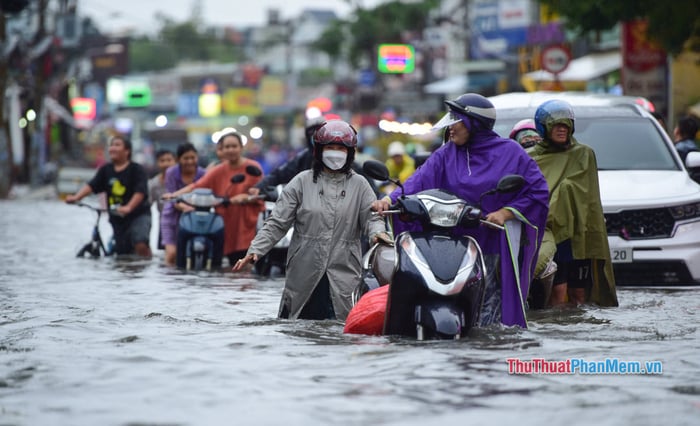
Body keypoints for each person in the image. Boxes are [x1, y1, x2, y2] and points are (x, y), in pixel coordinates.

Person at [372, 93, 550, 328]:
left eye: (456, 121)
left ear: (475, 124)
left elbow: (538, 192)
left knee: (490, 315)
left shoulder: (511, 153)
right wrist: (388, 199)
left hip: (492, 243)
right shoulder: (446, 154)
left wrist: (505, 213)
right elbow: (418, 181)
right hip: (452, 243)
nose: (451, 128)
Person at [233, 120, 388, 321]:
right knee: (298, 328)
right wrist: (255, 251)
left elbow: (372, 216)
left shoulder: (360, 185)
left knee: (341, 328)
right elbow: (277, 223)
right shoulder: (301, 181)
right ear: (319, 151)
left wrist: (378, 234)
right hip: (304, 268)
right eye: (330, 147)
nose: (335, 152)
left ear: (349, 152)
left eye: (340, 148)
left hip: (344, 270)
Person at [529, 99, 618, 307]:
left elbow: (588, 195)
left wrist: (566, 192)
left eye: (566, 125)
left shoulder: (584, 154)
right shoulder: (530, 158)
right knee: (557, 292)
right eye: (556, 125)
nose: (562, 130)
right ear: (544, 127)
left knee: (580, 293)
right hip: (552, 233)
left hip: (579, 233)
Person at [164, 130, 265, 266]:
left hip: (247, 224)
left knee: (246, 265)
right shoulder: (218, 170)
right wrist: (175, 195)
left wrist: (246, 197)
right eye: (227, 147)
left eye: (234, 146)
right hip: (227, 224)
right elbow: (197, 186)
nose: (231, 150)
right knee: (230, 265)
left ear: (241, 147)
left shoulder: (253, 167)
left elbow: (261, 192)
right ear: (221, 150)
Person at [247, 116, 380, 199]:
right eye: (312, 133)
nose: (334, 154)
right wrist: (259, 187)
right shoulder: (301, 168)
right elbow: (278, 175)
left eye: (338, 149)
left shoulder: (353, 171)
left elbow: (371, 196)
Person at [65, 135, 152, 258]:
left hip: (138, 215)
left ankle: (146, 264)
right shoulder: (106, 170)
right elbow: (92, 185)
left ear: (127, 151)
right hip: (116, 216)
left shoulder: (137, 170)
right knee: (122, 253)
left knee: (140, 242)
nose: (113, 148)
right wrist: (76, 197)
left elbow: (140, 192)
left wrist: (128, 207)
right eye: (112, 145)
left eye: (117, 145)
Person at [160, 143, 207, 265]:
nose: (190, 161)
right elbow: (171, 197)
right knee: (171, 254)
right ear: (179, 159)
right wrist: (185, 207)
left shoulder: (203, 173)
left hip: (196, 217)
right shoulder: (171, 173)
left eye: (193, 158)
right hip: (172, 216)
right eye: (186, 158)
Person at [148, 149, 176, 250]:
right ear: (157, 163)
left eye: (169, 160)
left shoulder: (182, 179)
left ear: (175, 161)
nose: (166, 164)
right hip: (164, 223)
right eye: (162, 160)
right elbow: (147, 205)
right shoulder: (154, 184)